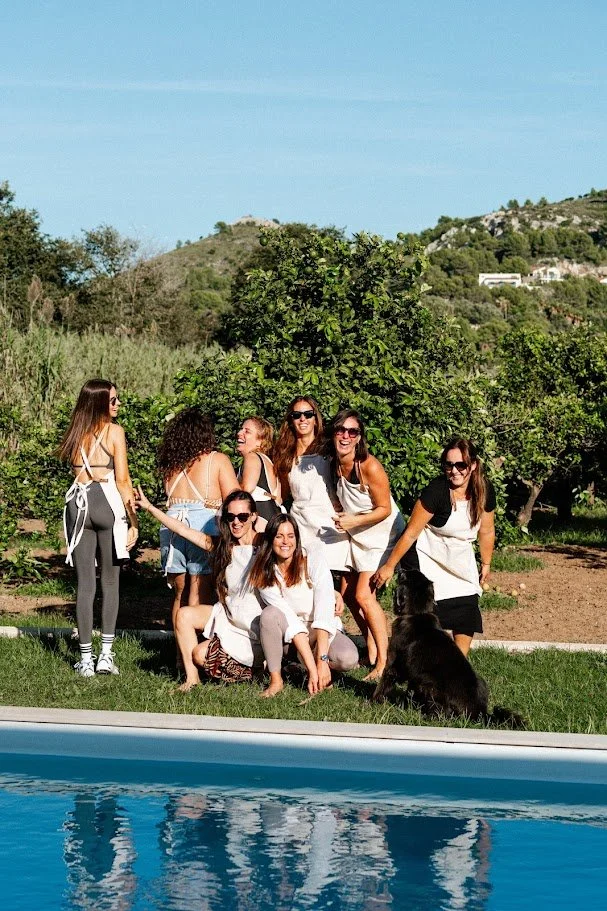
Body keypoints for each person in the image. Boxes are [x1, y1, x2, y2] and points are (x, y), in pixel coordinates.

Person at [372, 437, 495, 657]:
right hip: (426, 556)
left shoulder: (484, 491)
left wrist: (486, 563)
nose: (454, 471)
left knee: (467, 609)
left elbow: (486, 531)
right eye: (449, 465)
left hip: (458, 557)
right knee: (426, 616)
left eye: (461, 465)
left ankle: (458, 664)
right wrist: (389, 566)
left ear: (473, 465)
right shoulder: (436, 491)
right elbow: (410, 533)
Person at [137, 488, 265, 691]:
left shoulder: (266, 544)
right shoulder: (224, 546)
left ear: (253, 517)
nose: (236, 522)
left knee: (202, 654)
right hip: (229, 616)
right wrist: (150, 507)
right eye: (230, 517)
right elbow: (184, 531)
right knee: (184, 615)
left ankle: (254, 669)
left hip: (255, 624)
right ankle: (191, 679)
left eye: (242, 516)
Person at [58, 379, 138, 677]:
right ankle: (105, 655)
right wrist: (133, 520)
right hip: (106, 500)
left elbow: (74, 467)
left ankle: (85, 660)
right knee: (110, 582)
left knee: (84, 584)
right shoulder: (115, 432)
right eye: (113, 400)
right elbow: (123, 480)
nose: (117, 405)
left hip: (77, 503)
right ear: (100, 402)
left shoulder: (75, 430)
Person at [326, 409, 405, 681]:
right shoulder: (334, 463)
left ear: (360, 437)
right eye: (341, 430)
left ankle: (384, 663)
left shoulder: (369, 466)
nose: (346, 436)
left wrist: (353, 521)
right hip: (359, 535)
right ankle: (370, 641)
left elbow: (384, 509)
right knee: (348, 593)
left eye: (352, 432)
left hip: (381, 537)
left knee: (363, 596)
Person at [249, 514, 360, 697]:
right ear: (271, 540)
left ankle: (313, 667)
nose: (286, 542)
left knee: (348, 659)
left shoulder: (312, 558)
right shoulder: (264, 572)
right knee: (269, 614)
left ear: (297, 539)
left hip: (317, 629)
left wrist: (322, 660)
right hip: (289, 635)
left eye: (290, 536)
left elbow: (324, 606)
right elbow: (292, 623)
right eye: (279, 536)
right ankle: (277, 680)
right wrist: (313, 670)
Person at [157, 407, 239, 628]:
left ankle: (178, 655)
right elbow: (235, 499)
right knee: (200, 589)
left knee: (179, 592)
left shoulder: (171, 466)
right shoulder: (217, 460)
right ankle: (195, 651)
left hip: (171, 526)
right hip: (203, 526)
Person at [273, 396, 349, 581]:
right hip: (302, 527)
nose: (302, 419)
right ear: (290, 420)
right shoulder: (285, 454)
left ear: (316, 419)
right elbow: (282, 494)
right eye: (297, 415)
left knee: (339, 591)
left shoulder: (330, 449)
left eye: (308, 414)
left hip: (331, 526)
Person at [236, 416, 283, 532]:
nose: (239, 433)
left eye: (247, 431)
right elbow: (280, 499)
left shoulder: (252, 457)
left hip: (259, 519)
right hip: (272, 517)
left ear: (260, 441)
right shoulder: (268, 461)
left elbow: (245, 491)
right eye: (241, 429)